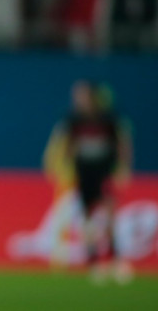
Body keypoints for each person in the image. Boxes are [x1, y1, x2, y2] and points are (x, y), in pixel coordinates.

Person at [44, 80, 133, 283]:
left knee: (109, 214)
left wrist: (123, 167)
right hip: (84, 172)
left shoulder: (108, 119)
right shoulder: (72, 120)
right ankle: (94, 262)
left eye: (82, 95)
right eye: (76, 96)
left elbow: (122, 143)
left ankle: (115, 260)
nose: (78, 100)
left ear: (92, 97)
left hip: (104, 171)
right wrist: (64, 166)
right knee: (88, 218)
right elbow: (65, 144)